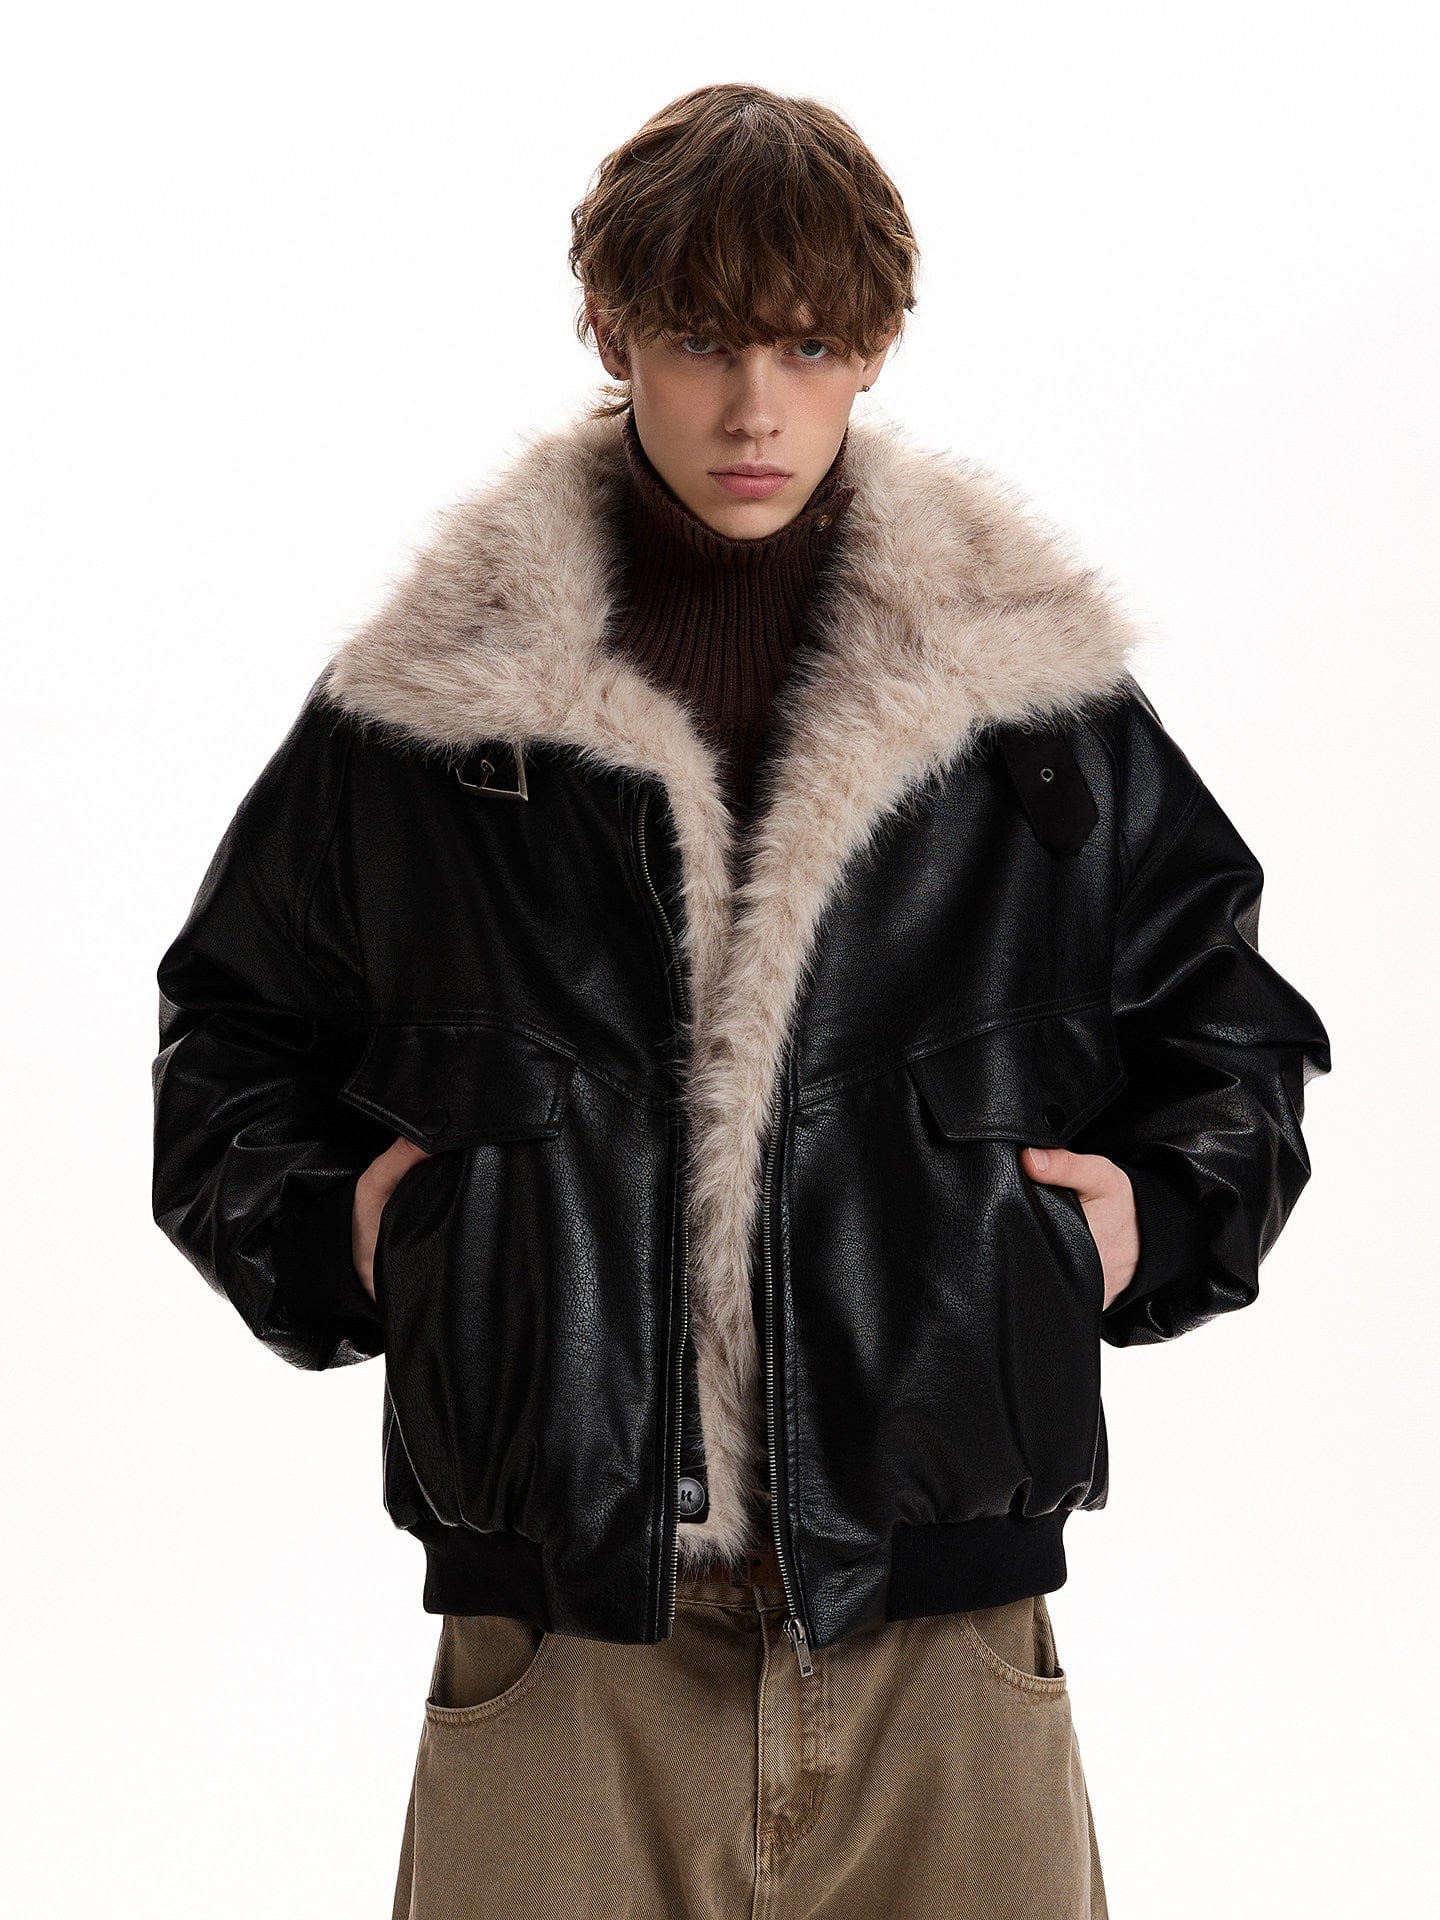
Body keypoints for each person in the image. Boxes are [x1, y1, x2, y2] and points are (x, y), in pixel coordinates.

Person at [151, 82, 1332, 1920]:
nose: (756, 405)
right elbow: (226, 1038)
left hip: (946, 1642)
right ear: (609, 329)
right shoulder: (433, 718)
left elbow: (1230, 1027)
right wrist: (346, 1236)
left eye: (808, 343)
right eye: (703, 340)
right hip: (562, 1656)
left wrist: (1146, 1221)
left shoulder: (1029, 710)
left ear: (876, 346)